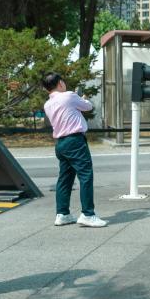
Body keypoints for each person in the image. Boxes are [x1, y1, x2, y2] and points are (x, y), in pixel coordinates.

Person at [42, 72, 107, 227]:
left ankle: (62, 214)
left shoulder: (47, 104)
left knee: (65, 178)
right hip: (75, 141)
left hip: (61, 143)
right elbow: (88, 107)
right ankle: (87, 214)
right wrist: (83, 99)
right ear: (60, 83)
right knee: (86, 175)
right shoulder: (69, 96)